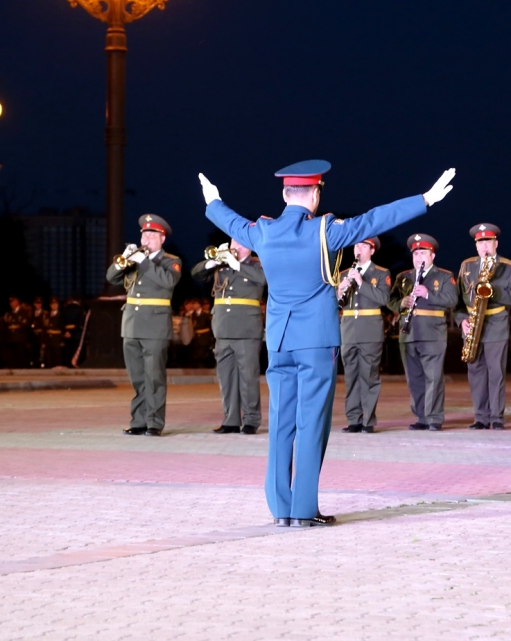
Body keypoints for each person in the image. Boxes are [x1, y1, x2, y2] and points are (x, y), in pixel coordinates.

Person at [200, 160, 454, 527]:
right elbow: (373, 220)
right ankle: (304, 509)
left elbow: (231, 222)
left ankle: (281, 509)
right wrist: (425, 199)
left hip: (279, 340)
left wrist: (212, 200)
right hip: (315, 340)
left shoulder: (264, 231)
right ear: (315, 194)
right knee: (312, 423)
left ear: (285, 194)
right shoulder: (323, 230)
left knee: (281, 422)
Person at [107, 214, 182, 437]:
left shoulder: (171, 261)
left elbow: (168, 282)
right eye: (144, 234)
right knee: (138, 377)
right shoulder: (135, 259)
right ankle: (138, 421)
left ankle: (154, 423)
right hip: (131, 324)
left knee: (154, 376)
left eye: (152, 234)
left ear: (162, 238)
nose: (146, 238)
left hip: (156, 325)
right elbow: (111, 277)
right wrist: (125, 258)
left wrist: (144, 262)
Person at [192, 239, 267, 434]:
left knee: (248, 377)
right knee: (226, 378)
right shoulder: (222, 264)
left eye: (241, 243)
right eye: (234, 242)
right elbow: (197, 273)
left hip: (246, 329)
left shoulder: (259, 263)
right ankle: (231, 420)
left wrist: (236, 265)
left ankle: (251, 420)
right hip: (223, 329)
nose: (236, 247)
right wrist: (214, 261)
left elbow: (264, 280)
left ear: (250, 246)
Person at [454, 223, 511, 430]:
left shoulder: (509, 267)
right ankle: (481, 417)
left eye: (488, 242)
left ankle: (497, 417)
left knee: (496, 373)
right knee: (475, 372)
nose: (484, 246)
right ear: (476, 246)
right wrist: (461, 320)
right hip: (472, 324)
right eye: (480, 242)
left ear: (496, 244)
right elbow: (457, 300)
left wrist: (493, 291)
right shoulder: (467, 266)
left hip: (495, 324)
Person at [390, 233, 459, 432]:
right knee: (415, 378)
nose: (419, 257)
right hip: (409, 333)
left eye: (423, 253)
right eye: (416, 253)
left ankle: (434, 418)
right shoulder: (403, 278)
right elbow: (391, 300)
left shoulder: (444, 276)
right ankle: (421, 416)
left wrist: (428, 293)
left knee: (434, 377)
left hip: (432, 334)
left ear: (432, 256)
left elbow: (452, 300)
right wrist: (401, 303)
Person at [336, 237, 391, 433]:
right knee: (351, 377)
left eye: (363, 246)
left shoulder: (381, 273)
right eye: (356, 245)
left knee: (368, 376)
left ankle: (368, 420)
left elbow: (384, 299)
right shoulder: (343, 274)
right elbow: (335, 304)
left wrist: (360, 282)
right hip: (349, 329)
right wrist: (338, 291)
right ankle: (353, 420)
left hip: (370, 331)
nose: (358, 249)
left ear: (372, 250)